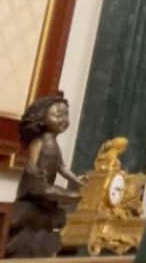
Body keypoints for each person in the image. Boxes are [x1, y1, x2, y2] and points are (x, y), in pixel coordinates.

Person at [5, 92, 84, 258]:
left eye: (65, 115)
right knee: (64, 195)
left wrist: (77, 181)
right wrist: (34, 170)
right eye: (57, 115)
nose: (63, 120)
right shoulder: (38, 142)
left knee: (72, 198)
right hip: (35, 185)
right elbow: (32, 162)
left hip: (46, 189)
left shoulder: (54, 145)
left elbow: (62, 168)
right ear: (41, 119)